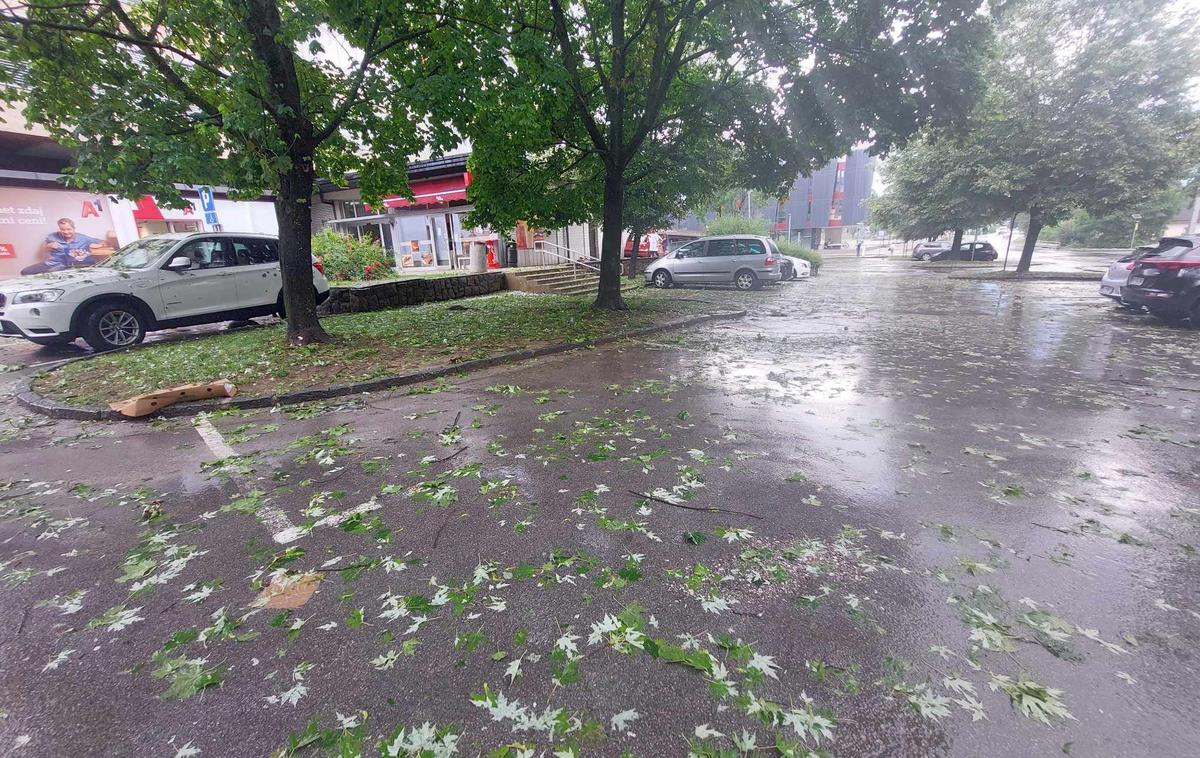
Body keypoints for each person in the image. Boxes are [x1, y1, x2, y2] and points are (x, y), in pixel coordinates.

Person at [21, 218, 106, 275]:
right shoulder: (52, 236)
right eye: (62, 229)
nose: (66, 232)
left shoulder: (83, 238)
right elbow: (43, 250)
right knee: (25, 272)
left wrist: (96, 246)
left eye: (68, 229)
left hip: (75, 266)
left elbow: (103, 242)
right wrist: (49, 246)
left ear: (74, 228)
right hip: (54, 264)